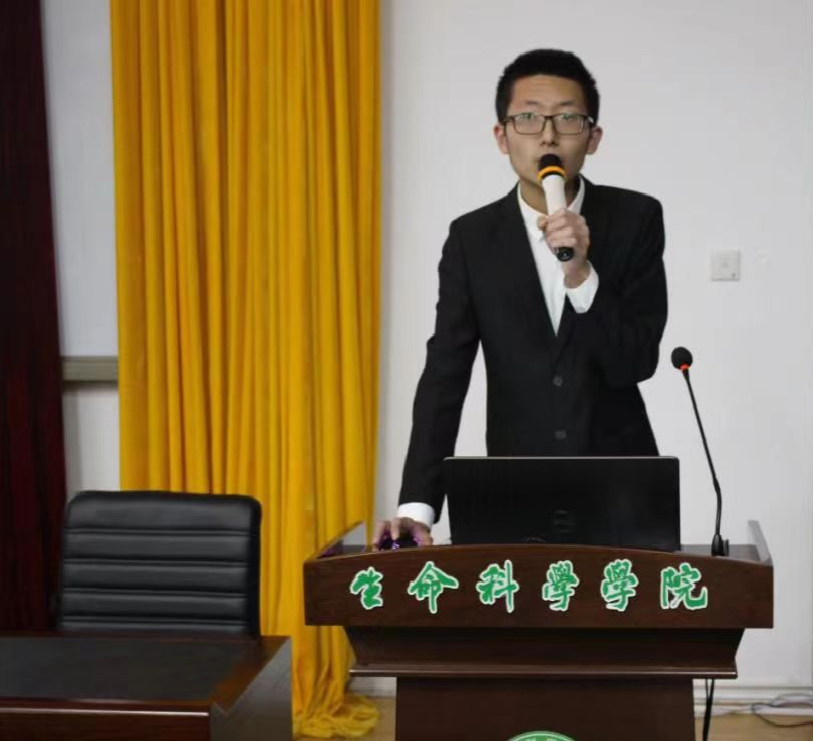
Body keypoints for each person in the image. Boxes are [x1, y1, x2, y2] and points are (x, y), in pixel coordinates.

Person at [376, 49, 667, 548]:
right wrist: (417, 506)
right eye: (529, 118)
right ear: (501, 136)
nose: (548, 136)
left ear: (593, 138)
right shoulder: (472, 239)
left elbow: (635, 362)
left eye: (568, 119)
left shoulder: (635, 218)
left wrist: (580, 272)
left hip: (623, 490)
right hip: (513, 488)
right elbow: (445, 373)